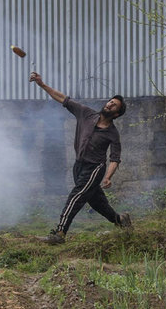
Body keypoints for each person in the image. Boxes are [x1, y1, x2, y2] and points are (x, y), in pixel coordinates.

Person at [29, 71, 132, 245]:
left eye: (114, 106)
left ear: (116, 114)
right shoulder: (86, 114)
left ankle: (59, 234)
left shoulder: (112, 134)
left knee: (76, 197)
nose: (109, 105)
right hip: (78, 166)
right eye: (110, 102)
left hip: (95, 169)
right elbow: (63, 98)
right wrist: (42, 84)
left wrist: (107, 176)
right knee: (98, 203)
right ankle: (121, 221)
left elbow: (115, 158)